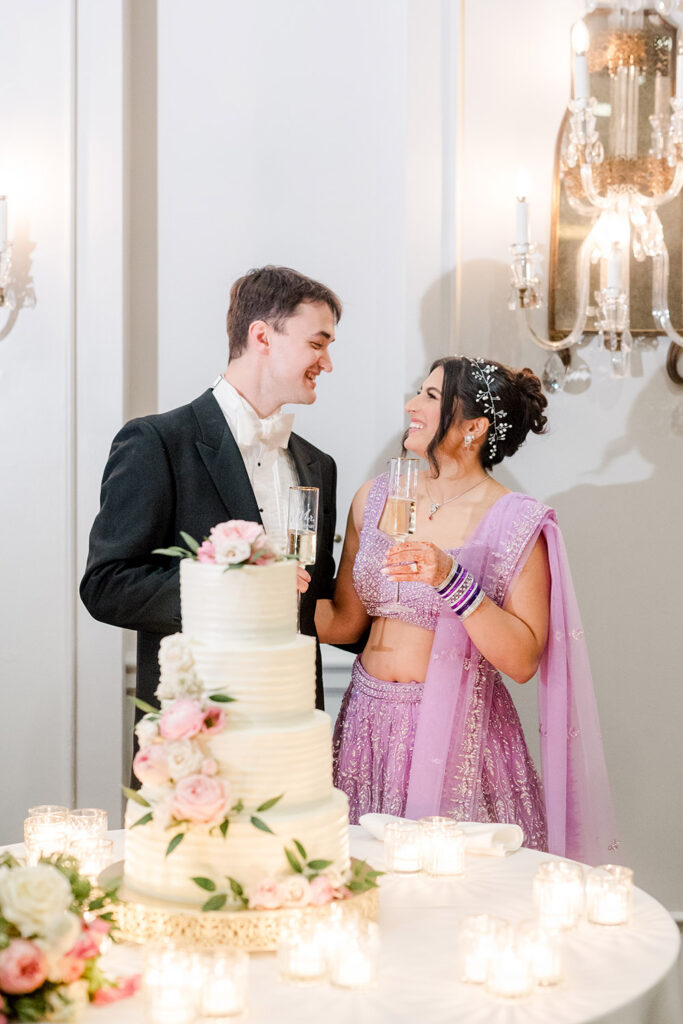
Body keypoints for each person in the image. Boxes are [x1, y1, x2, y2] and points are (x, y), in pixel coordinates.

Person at [316, 356, 617, 864]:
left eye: (431, 397)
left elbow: (522, 660)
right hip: (365, 726)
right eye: (419, 393)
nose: (411, 405)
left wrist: (450, 579)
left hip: (462, 734)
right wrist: (273, 590)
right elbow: (345, 621)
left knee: (453, 898)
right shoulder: (375, 497)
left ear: (473, 427)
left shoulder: (515, 520)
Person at [81, 265, 341, 716]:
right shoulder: (157, 443)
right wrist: (231, 589)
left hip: (293, 721)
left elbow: (315, 601)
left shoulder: (319, 466)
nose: (327, 363)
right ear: (262, 337)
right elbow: (107, 585)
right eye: (316, 343)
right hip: (196, 727)